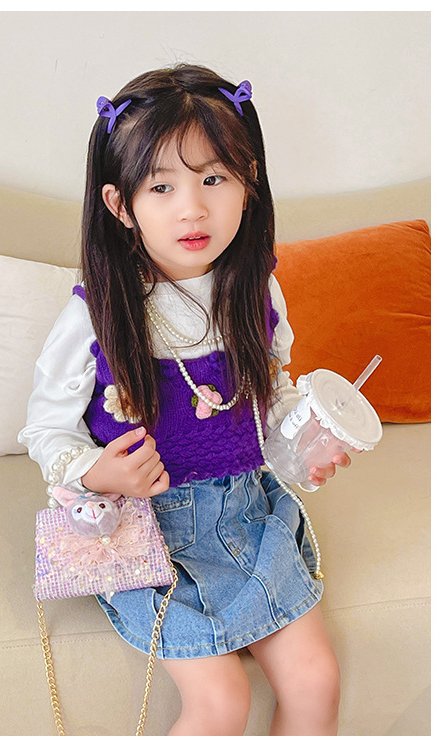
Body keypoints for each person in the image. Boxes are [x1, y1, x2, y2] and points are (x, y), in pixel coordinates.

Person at [18, 64, 347, 736]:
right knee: (220, 701)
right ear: (120, 205)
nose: (192, 208)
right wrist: (96, 471)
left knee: (316, 679)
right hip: (146, 534)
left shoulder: (256, 292)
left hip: (247, 518)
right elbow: (46, 428)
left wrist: (304, 439)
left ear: (249, 184)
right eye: (162, 186)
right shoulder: (96, 314)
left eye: (214, 179)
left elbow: (272, 394)